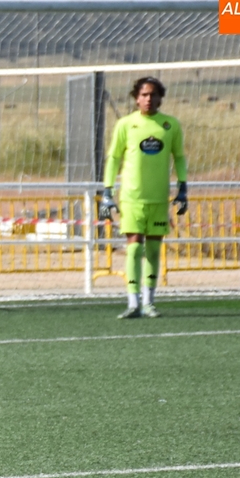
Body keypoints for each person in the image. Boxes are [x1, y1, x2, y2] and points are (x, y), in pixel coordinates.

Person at [100, 76, 188, 319]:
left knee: (153, 249)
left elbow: (179, 157)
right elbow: (114, 158)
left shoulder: (170, 125)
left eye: (153, 95)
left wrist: (182, 187)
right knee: (134, 247)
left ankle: (149, 301)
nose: (148, 99)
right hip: (132, 197)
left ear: (160, 98)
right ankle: (133, 302)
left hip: (158, 197)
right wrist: (107, 191)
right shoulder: (126, 124)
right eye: (144, 95)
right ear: (136, 98)